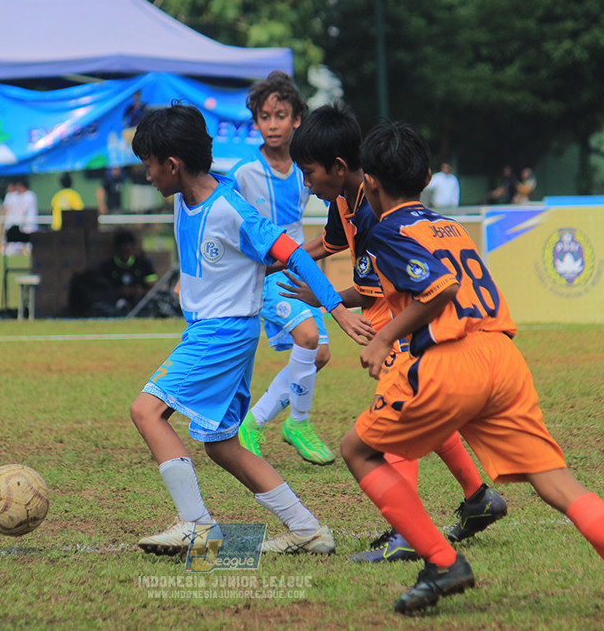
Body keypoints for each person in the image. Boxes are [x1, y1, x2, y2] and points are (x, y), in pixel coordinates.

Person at [338, 119, 604, 623]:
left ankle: (443, 561)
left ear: (368, 182)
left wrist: (384, 337)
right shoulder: (449, 226)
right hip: (502, 356)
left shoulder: (387, 230)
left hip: (451, 360)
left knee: (357, 450)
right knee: (558, 483)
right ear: (428, 177)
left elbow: (439, 289)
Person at [128, 103, 374, 556]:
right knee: (222, 444)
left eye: (149, 165)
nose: (147, 175)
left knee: (146, 411)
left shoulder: (231, 209)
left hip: (220, 334)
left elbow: (294, 254)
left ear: (173, 164)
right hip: (219, 331)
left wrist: (336, 309)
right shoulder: (192, 195)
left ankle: (196, 525)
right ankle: (306, 529)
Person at [282, 103, 507, 563]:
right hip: (394, 318)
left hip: (397, 322)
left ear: (338, 167)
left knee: (400, 415)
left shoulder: (373, 214)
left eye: (308, 173)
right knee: (420, 410)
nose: (306, 184)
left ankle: (407, 532)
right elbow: (330, 242)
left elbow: (370, 292)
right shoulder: (343, 198)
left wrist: (325, 297)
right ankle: (478, 497)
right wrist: (282, 256)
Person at [229, 70, 334, 465]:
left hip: (300, 270)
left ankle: (267, 423)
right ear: (256, 122)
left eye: (280, 115)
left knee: (320, 354)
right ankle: (285, 423)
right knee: (308, 338)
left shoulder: (307, 170)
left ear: (297, 120)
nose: (272, 124)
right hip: (268, 275)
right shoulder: (243, 173)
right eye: (265, 117)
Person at [99, 228, 158, 313]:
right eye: (122, 251)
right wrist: (118, 292)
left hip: (140, 301)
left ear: (133, 249)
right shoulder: (107, 267)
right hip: (116, 302)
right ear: (116, 250)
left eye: (128, 250)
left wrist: (141, 291)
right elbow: (102, 290)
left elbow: (153, 284)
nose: (125, 254)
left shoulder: (143, 264)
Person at [1, 176, 38, 253]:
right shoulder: (20, 196)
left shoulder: (29, 195)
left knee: (28, 243)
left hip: (29, 223)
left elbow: (24, 210)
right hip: (22, 223)